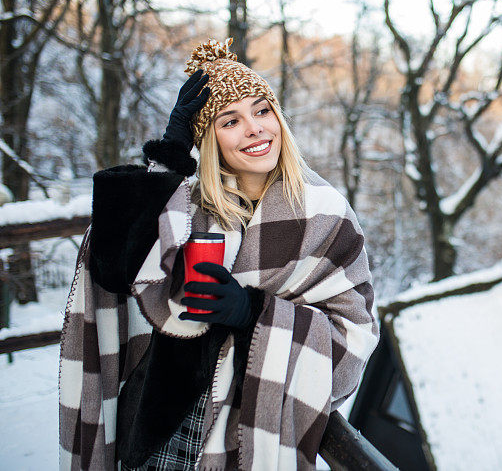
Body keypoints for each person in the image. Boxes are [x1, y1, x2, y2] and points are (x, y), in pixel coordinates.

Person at [58, 38, 380, 470]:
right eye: (230, 120)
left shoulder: (325, 213)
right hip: (164, 423)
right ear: (208, 139)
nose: (255, 129)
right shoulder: (187, 203)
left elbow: (354, 338)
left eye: (262, 110)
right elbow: (111, 267)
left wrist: (253, 313)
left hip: (248, 434)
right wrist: (169, 160)